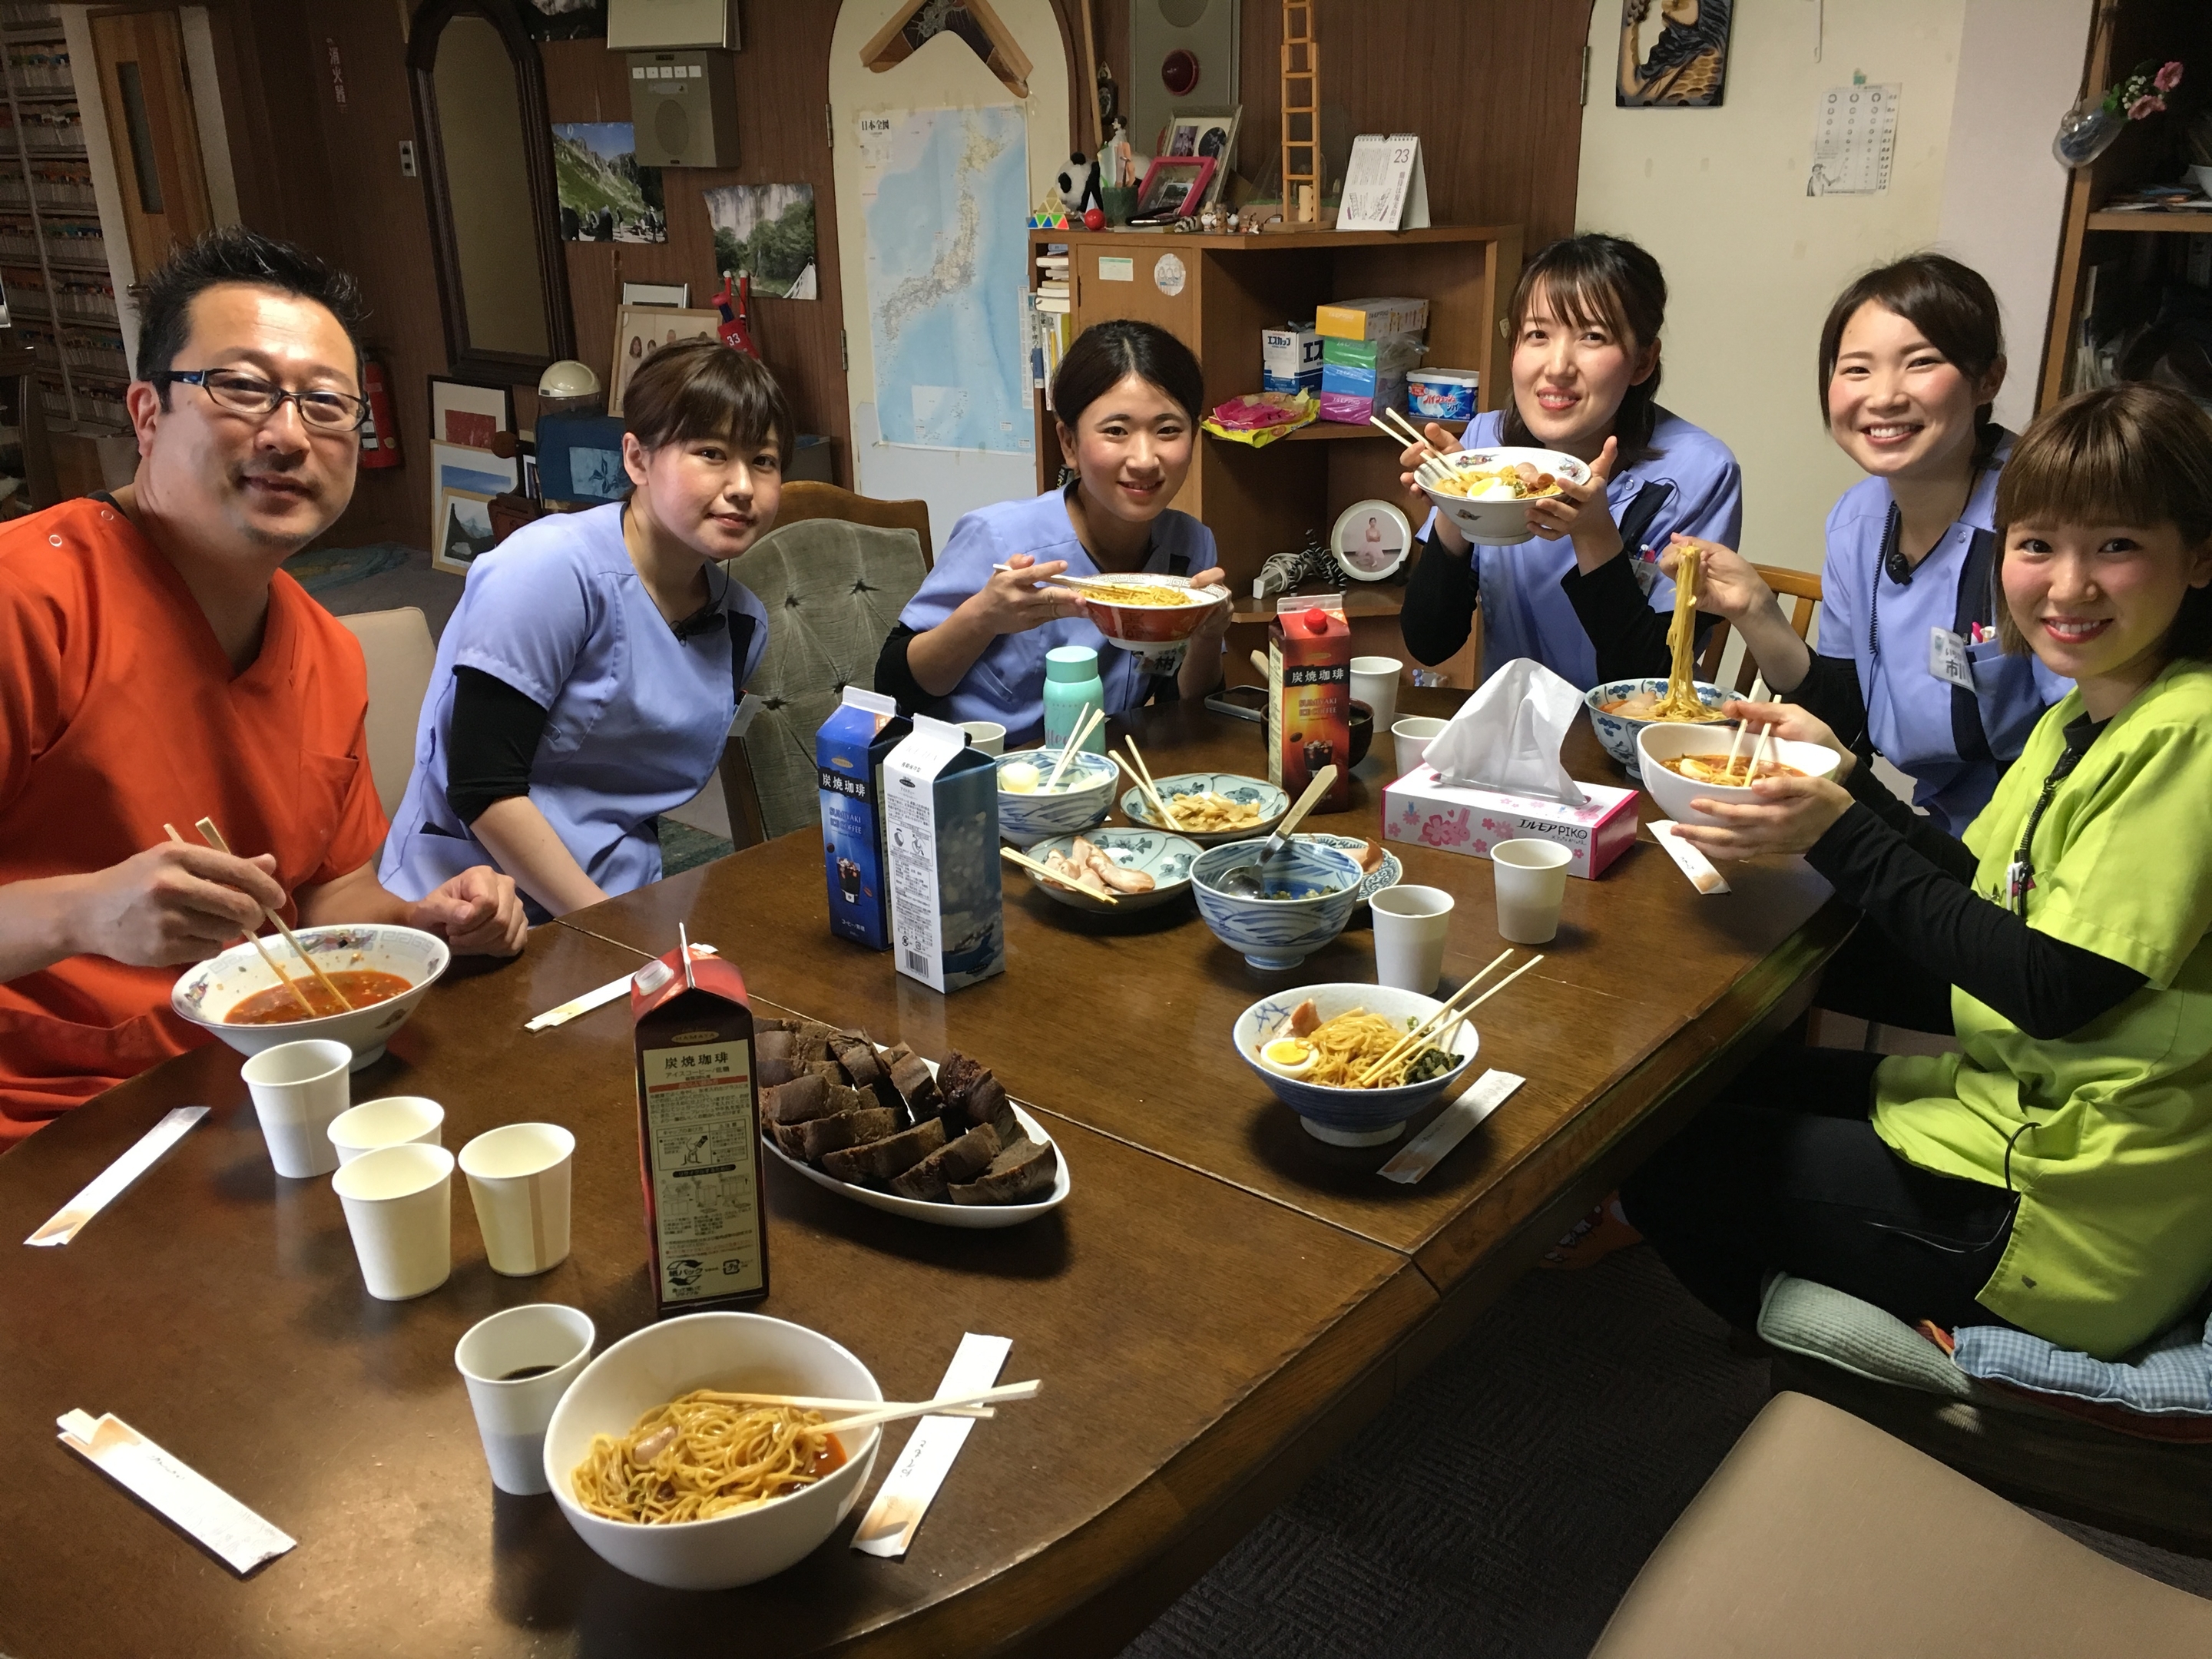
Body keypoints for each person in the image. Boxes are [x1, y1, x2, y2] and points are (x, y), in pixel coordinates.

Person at [1619, 383, 2212, 1362]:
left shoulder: (2188, 731)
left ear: (2199, 557)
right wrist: (1848, 780)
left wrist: (1841, 831)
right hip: (2009, 1107)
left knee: (1664, 1163)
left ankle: (1858, 1361)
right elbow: (1982, 891)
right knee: (1705, 1087)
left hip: (2072, 1206)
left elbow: (2051, 987)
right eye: (2037, 546)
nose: (2068, 587)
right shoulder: (2089, 710)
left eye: (2116, 545)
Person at [0, 227, 525, 1146]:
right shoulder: (29, 603)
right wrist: (86, 911)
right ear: (147, 412)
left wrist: (420, 917)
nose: (288, 434)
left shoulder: (323, 650)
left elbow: (329, 896)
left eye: (326, 405)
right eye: (241, 388)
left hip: (253, 1079)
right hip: (44, 1118)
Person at [1659, 255, 2068, 834]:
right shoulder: (1858, 520)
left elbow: (2091, 742)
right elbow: (1844, 716)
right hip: (1934, 829)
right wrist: (1754, 609)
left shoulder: (2041, 527)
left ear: (1989, 379)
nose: (1884, 397)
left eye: (1921, 362)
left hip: (2034, 838)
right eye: (1857, 370)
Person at [380, 339, 781, 922]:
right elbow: (482, 786)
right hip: (469, 904)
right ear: (637, 459)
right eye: (712, 452)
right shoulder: (548, 570)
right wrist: (607, 929)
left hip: (626, 896)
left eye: (764, 461)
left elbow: (630, 792)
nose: (743, 485)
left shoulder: (741, 622)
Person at [1395, 233, 1742, 689]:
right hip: (1514, 736)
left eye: (1592, 336)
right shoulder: (1485, 442)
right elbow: (1429, 641)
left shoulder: (1700, 472)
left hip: (1629, 751)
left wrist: (1594, 531)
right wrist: (1458, 500)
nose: (1557, 366)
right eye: (1537, 334)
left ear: (1642, 361)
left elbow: (1652, 684)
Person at [875, 320, 1230, 734]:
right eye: (1116, 431)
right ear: (1068, 443)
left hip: (1105, 769)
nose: (1145, 459)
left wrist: (1207, 635)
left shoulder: (1189, 547)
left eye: (1168, 430)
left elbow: (1183, 706)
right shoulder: (1000, 537)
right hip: (984, 775)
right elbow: (895, 686)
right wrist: (983, 617)